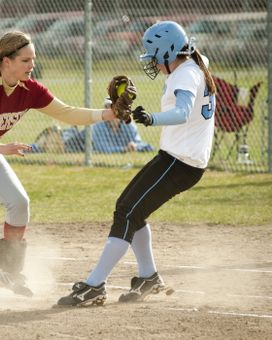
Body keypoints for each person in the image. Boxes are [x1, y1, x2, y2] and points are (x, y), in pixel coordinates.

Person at [0, 31, 128, 302]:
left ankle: (9, 273)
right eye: (26, 60)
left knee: (19, 203)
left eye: (33, 60)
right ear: (6, 61)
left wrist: (108, 114)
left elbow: (67, 112)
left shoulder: (30, 89)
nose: (32, 66)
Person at [57, 21, 216, 306]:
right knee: (131, 210)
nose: (153, 61)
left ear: (169, 52)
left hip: (180, 162)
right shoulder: (196, 62)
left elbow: (181, 112)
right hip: (181, 159)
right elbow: (183, 103)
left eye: (155, 55)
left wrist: (151, 118)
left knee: (126, 212)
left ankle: (94, 285)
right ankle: (148, 277)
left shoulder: (186, 75)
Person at [30, 98, 154, 154]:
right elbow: (102, 149)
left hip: (80, 145)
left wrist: (137, 146)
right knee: (49, 147)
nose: (112, 111)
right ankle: (28, 147)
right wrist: (124, 149)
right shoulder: (100, 125)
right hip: (73, 143)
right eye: (109, 107)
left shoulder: (128, 124)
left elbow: (140, 143)